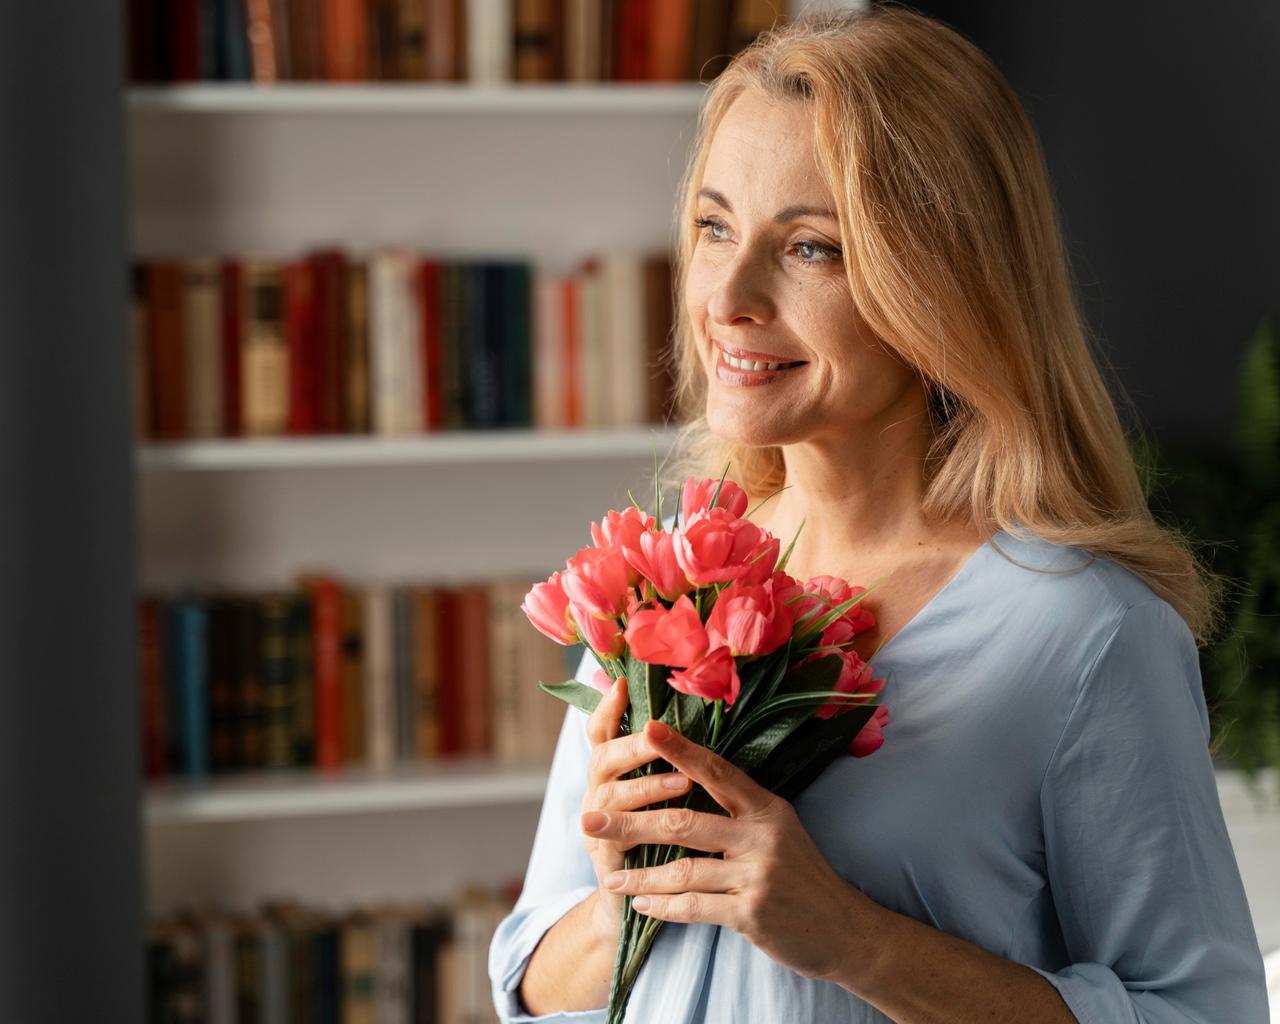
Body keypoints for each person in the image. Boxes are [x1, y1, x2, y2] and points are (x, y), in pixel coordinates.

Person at [489, 7, 1270, 1022]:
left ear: (940, 283)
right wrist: (623, 896)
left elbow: (1204, 1013)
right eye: (713, 227)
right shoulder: (661, 587)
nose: (726, 295)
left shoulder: (1082, 633)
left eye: (810, 248)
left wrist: (851, 937)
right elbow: (530, 981)